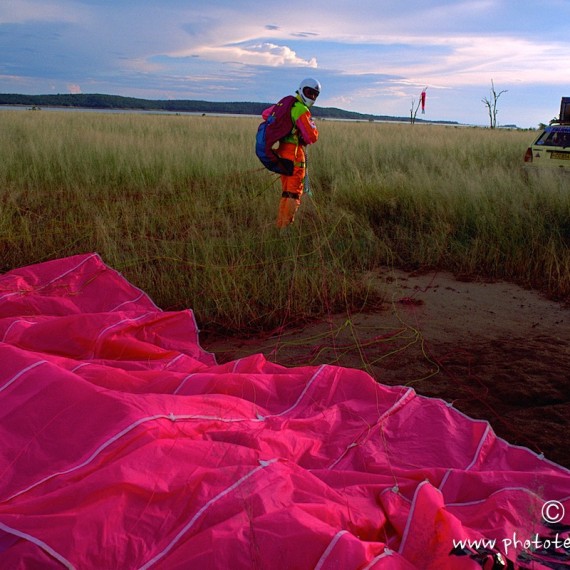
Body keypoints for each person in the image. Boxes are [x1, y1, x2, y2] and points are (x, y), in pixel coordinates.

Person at [262, 78, 320, 228]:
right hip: (295, 157)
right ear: (302, 89)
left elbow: (265, 114)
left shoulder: (286, 104)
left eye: (315, 94)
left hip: (282, 154)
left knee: (286, 193)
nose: (312, 97)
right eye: (309, 93)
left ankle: (280, 225)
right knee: (293, 194)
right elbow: (311, 137)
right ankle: (285, 228)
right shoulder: (301, 109)